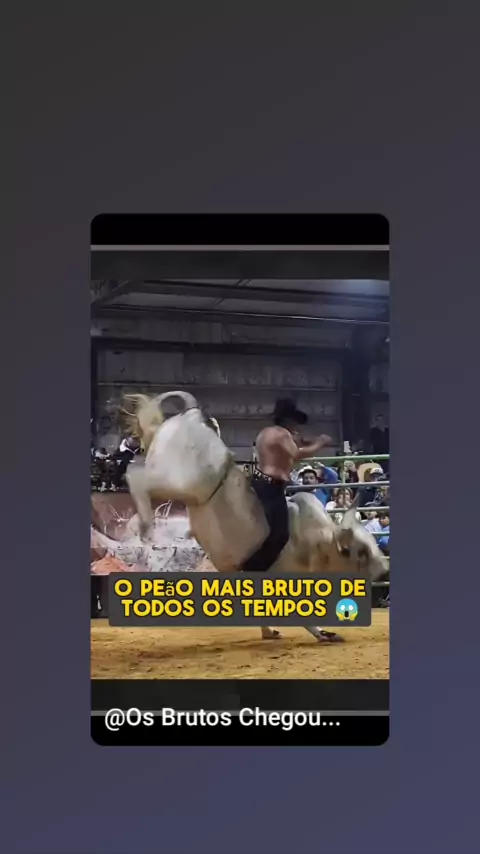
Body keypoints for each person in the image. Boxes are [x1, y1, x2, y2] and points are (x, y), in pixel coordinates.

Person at [242, 398, 332, 573]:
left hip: (261, 482)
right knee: (280, 535)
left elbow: (294, 445)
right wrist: (320, 443)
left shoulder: (267, 433)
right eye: (294, 421)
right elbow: (297, 454)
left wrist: (307, 441)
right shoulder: (282, 434)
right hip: (270, 487)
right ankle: (251, 570)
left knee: (269, 530)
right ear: (288, 420)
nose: (296, 425)